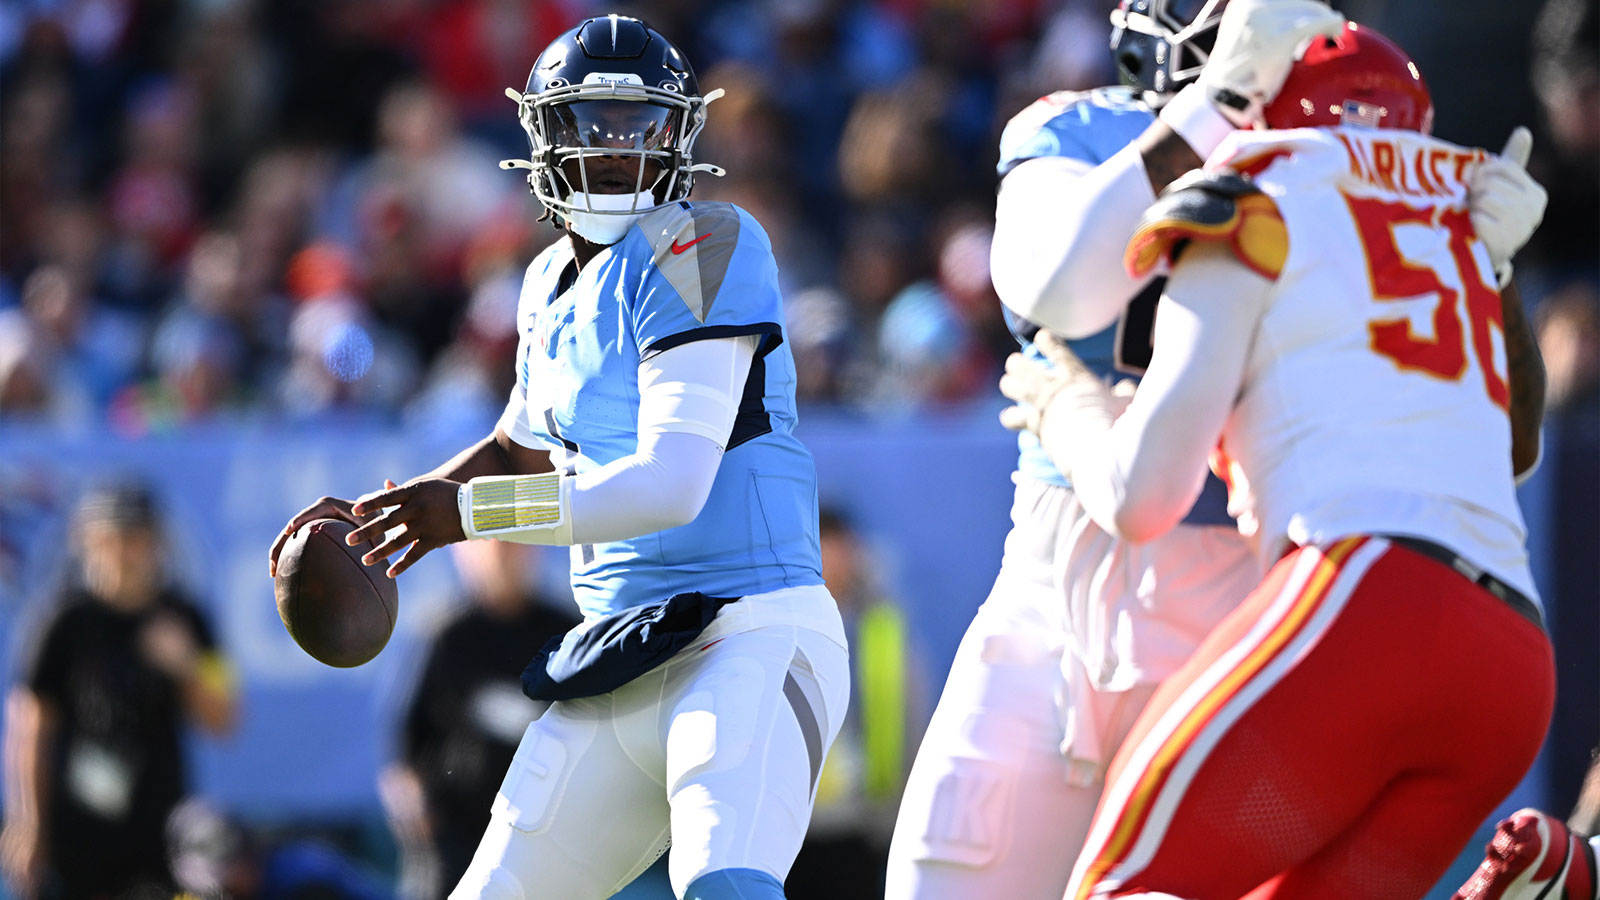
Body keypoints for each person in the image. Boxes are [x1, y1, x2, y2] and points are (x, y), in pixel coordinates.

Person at [268, 15, 849, 900]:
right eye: (590, 123)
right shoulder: (545, 284)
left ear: (679, 138)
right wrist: (396, 511)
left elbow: (672, 483)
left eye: (638, 126)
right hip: (618, 652)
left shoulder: (708, 243)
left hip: (748, 631)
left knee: (724, 884)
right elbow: (516, 445)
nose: (615, 150)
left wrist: (463, 517)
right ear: (541, 136)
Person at [1000, 22, 1555, 899]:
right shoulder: (1461, 228)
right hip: (1515, 664)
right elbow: (1520, 445)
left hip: (1366, 600)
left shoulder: (1254, 198)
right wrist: (1497, 267)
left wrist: (1067, 408)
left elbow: (1142, 496)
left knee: (1122, 887)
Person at [886, 2, 1339, 897]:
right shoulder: (1080, 125)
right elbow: (1055, 285)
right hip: (1055, 591)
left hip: (1245, 607)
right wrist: (1216, 108)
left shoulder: (1331, 156)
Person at [0, 482, 237, 900]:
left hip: (161, 831)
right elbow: (30, 725)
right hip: (75, 829)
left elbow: (225, 718)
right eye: (111, 539)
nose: (124, 553)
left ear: (158, 542)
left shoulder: (188, 617)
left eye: (136, 538)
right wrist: (29, 821)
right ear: (87, 542)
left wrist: (186, 666)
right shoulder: (63, 622)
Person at [380, 540, 580, 900]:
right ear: (467, 557)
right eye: (495, 549)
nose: (504, 559)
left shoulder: (565, 633)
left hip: (543, 833)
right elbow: (407, 749)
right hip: (459, 831)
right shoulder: (446, 635)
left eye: (514, 548)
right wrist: (416, 810)